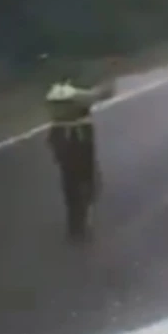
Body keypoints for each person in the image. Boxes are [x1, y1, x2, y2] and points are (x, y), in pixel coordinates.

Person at [45, 79, 115, 238]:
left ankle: (74, 225)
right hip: (80, 141)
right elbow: (100, 95)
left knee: (69, 183)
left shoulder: (53, 99)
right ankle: (83, 222)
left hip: (61, 141)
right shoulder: (79, 97)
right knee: (85, 180)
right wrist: (107, 86)